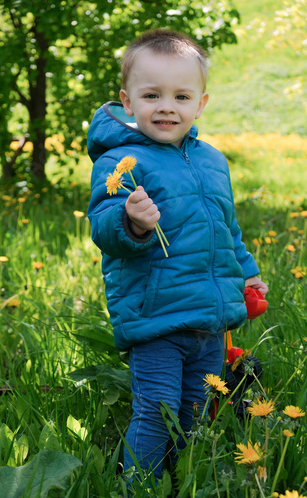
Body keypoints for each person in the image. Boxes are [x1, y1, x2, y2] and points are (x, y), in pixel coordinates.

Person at [87, 29, 268, 483]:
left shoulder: (212, 161)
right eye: (152, 95)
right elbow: (104, 225)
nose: (167, 106)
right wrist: (131, 221)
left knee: (195, 411)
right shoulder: (120, 162)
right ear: (128, 102)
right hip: (158, 318)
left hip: (209, 319)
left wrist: (245, 275)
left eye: (181, 95)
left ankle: (180, 480)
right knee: (157, 408)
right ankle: (141, 487)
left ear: (200, 103)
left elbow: (224, 228)